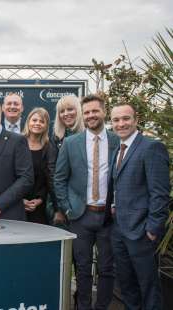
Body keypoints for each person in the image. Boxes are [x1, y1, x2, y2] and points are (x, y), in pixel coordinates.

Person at [54, 94, 119, 310]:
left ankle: (102, 307)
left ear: (103, 112)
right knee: (82, 269)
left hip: (108, 217)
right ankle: (83, 307)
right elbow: (60, 178)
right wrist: (67, 208)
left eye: (95, 111)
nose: (91, 115)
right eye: (87, 112)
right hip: (80, 216)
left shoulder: (117, 141)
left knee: (107, 268)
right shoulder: (72, 143)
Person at [106, 104, 170, 310]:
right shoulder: (118, 149)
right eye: (116, 120)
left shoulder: (151, 147)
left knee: (149, 287)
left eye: (126, 119)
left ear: (136, 120)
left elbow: (160, 193)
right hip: (119, 231)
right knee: (127, 286)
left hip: (142, 233)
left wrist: (152, 230)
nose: (121, 124)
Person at [49, 95, 85, 226]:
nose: (66, 114)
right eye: (62, 111)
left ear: (79, 110)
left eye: (70, 109)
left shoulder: (89, 135)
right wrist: (60, 208)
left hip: (88, 206)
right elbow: (52, 174)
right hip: (63, 204)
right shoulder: (56, 138)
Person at [22, 108, 57, 224]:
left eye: (42, 121)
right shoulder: (18, 143)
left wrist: (40, 199)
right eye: (34, 120)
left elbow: (49, 178)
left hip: (38, 206)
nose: (37, 123)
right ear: (28, 122)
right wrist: (20, 200)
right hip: (16, 204)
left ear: (46, 125)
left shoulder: (49, 147)